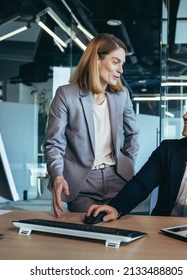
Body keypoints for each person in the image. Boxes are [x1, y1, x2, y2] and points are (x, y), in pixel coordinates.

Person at [87, 88, 187, 222]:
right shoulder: (168, 149)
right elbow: (141, 184)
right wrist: (116, 207)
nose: (185, 116)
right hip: (164, 230)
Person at [44, 33, 140, 218]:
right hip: (82, 184)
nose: (121, 69)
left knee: (120, 229)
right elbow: (54, 142)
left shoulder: (121, 95)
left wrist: (128, 161)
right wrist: (57, 175)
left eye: (122, 64)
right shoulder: (66, 95)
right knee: (90, 228)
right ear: (96, 58)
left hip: (117, 178)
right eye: (115, 62)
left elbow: (133, 133)